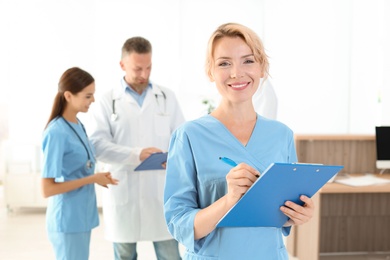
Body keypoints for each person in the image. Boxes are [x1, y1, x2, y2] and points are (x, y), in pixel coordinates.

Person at [164, 23, 314, 259]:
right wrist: (229, 199)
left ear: (262, 67)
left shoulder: (281, 134)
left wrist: (299, 213)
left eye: (248, 61)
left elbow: (281, 214)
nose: (237, 73)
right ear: (210, 72)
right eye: (224, 63)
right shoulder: (189, 136)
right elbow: (179, 225)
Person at [89, 36, 184, 260]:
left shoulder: (166, 97)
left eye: (148, 67)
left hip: (160, 190)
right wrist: (135, 154)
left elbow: (181, 138)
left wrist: (176, 158)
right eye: (137, 68)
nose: (144, 74)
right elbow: (97, 145)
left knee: (170, 254)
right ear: (122, 65)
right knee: (124, 255)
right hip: (123, 189)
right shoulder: (107, 100)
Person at [41, 67, 118, 260]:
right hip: (67, 219)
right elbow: (47, 189)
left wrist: (96, 177)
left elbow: (81, 167)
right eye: (88, 96)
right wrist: (91, 178)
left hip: (80, 216)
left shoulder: (77, 124)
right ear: (68, 95)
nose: (93, 100)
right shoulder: (56, 132)